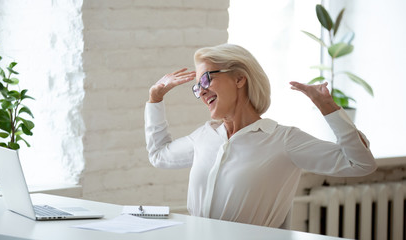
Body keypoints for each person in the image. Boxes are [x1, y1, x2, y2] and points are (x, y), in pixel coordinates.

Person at [144, 43, 376, 228]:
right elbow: (159, 155)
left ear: (239, 78)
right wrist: (155, 98)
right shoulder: (204, 137)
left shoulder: (283, 140)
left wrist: (328, 108)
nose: (201, 91)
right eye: (197, 87)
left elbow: (360, 163)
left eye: (206, 79)